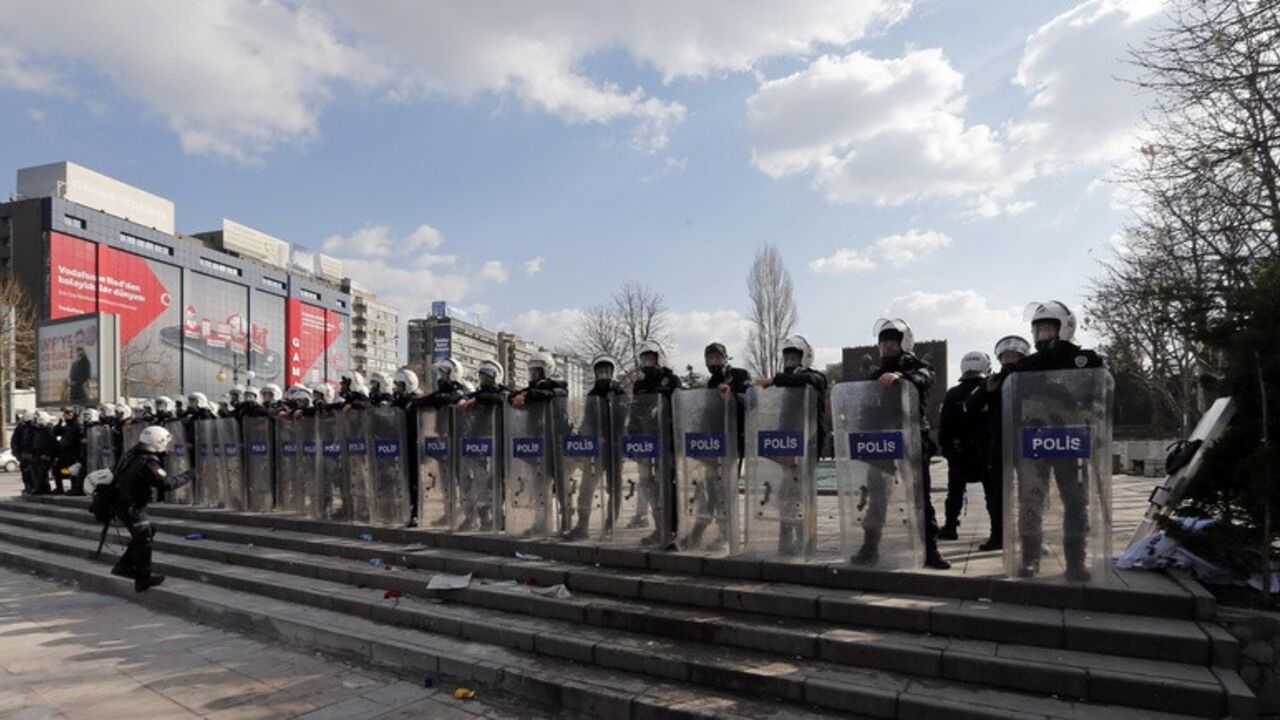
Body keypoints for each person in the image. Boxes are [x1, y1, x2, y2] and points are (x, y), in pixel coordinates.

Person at [997, 301, 1105, 581]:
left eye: (1048, 328)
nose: (1043, 333)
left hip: (1072, 441)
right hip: (1035, 442)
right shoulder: (1025, 366)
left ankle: (1076, 561)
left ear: (1064, 328)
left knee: (1076, 502)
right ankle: (1030, 559)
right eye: (1039, 328)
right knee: (1030, 502)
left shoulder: (1086, 360)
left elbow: (1097, 397)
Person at [850, 319, 951, 570]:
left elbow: (925, 378)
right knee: (877, 498)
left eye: (892, 342)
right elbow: (865, 404)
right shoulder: (875, 373)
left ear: (904, 343)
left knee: (919, 497)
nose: (887, 347)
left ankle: (930, 550)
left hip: (911, 438)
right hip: (882, 443)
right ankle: (869, 548)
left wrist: (901, 377)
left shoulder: (917, 366)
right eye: (884, 343)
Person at [757, 335, 827, 557]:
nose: (789, 359)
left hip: (806, 444)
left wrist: (775, 380)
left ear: (804, 357)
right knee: (785, 494)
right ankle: (787, 539)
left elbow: (810, 380)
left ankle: (801, 540)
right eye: (786, 355)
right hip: (788, 445)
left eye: (794, 356)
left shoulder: (813, 378)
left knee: (797, 494)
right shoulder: (786, 384)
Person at [107, 425, 193, 592]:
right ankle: (142, 578)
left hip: (123, 503)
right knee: (144, 536)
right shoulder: (147, 461)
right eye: (166, 443)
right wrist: (189, 475)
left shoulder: (132, 453)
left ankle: (125, 567)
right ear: (158, 442)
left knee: (145, 533)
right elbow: (166, 484)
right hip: (130, 505)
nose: (168, 447)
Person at [965, 336, 1031, 552]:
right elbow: (970, 405)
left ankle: (1028, 534)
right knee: (994, 492)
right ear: (1000, 359)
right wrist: (987, 391)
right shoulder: (992, 381)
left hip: (1026, 443)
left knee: (1029, 492)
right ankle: (998, 534)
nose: (1010, 359)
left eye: (1015, 356)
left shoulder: (1032, 378)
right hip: (997, 445)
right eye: (1006, 356)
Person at [693, 342, 752, 549]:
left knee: (726, 489)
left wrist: (732, 395)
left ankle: (727, 534)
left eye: (718, 357)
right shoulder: (711, 382)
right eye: (710, 359)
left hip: (733, 441)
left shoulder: (740, 374)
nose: (714, 362)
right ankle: (704, 530)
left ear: (726, 357)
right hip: (713, 443)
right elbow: (708, 414)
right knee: (710, 488)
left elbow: (750, 401)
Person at [562, 354, 625, 541]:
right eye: (600, 371)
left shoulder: (620, 394)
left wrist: (615, 439)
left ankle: (610, 526)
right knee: (587, 487)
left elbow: (623, 421)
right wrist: (584, 436)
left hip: (614, 448)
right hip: (595, 448)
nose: (603, 374)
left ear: (613, 373)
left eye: (607, 371)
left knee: (614, 488)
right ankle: (582, 526)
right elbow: (587, 420)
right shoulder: (592, 395)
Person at [625, 341, 681, 545]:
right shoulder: (640, 385)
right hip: (647, 442)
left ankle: (674, 529)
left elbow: (679, 409)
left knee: (667, 485)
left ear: (660, 357)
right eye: (643, 358)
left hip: (667, 441)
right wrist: (632, 437)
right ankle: (660, 527)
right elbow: (634, 413)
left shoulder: (672, 380)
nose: (647, 362)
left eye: (651, 358)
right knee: (648, 483)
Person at [938, 351, 992, 540]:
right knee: (991, 493)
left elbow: (944, 426)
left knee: (954, 491)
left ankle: (950, 527)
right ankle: (997, 532)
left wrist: (948, 450)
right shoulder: (990, 390)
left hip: (959, 452)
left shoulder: (953, 393)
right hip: (986, 452)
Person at [454, 360, 508, 531]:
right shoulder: (476, 394)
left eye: (486, 376)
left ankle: (497, 516)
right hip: (477, 444)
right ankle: (481, 518)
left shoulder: (501, 392)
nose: (482, 379)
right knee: (478, 483)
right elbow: (461, 398)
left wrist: (476, 398)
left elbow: (499, 398)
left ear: (495, 377)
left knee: (494, 484)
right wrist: (466, 398)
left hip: (496, 444)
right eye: (481, 376)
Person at [54, 406, 85, 496]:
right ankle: (60, 489)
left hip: (73, 454)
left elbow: (80, 441)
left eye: (68, 413)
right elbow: (55, 432)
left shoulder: (77, 426)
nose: (65, 415)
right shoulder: (67, 426)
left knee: (72, 472)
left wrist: (79, 455)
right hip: (64, 454)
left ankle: (74, 488)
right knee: (58, 470)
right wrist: (59, 423)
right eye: (65, 414)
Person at [12, 411, 36, 495]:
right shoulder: (20, 428)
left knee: (32, 471)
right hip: (24, 454)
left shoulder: (34, 427)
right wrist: (17, 453)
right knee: (26, 472)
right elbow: (15, 441)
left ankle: (33, 487)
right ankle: (28, 487)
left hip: (31, 454)